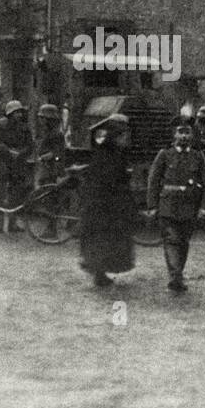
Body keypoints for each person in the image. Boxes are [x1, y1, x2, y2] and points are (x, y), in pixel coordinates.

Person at [147, 117, 205, 293]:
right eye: (180, 132)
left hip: (189, 209)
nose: (183, 136)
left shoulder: (198, 157)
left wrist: (204, 208)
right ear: (174, 134)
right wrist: (152, 205)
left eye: (187, 132)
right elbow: (153, 181)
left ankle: (177, 272)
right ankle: (175, 276)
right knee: (171, 241)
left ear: (192, 135)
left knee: (183, 242)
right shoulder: (164, 155)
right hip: (167, 206)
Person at [77, 113, 136, 287]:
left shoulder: (110, 152)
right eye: (122, 136)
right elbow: (110, 180)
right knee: (105, 238)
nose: (125, 138)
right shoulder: (109, 154)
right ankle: (99, 273)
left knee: (106, 239)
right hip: (104, 205)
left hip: (104, 204)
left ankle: (100, 272)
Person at [0, 100, 35, 233]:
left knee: (16, 193)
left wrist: (21, 153)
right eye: (16, 113)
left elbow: (30, 146)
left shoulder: (24, 128)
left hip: (18, 164)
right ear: (9, 114)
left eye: (20, 112)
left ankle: (13, 223)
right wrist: (7, 150)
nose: (19, 115)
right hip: (2, 162)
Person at [32, 104, 67, 189]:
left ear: (49, 119)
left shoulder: (56, 134)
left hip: (52, 169)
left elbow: (58, 152)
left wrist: (46, 157)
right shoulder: (45, 132)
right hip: (44, 168)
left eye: (42, 118)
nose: (40, 120)